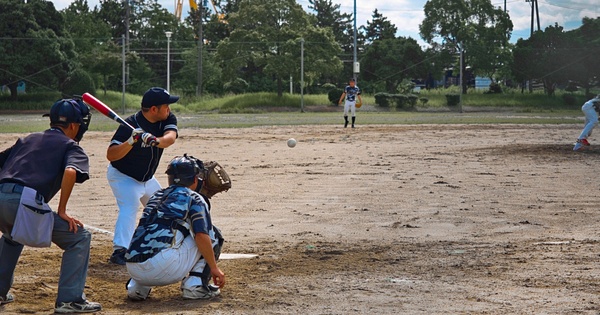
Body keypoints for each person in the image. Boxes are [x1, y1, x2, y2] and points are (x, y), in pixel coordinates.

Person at [0, 99, 102, 313]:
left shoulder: (29, 139)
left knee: (13, 235)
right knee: (79, 238)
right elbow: (71, 172)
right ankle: (70, 300)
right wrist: (63, 210)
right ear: (74, 126)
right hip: (22, 202)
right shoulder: (71, 145)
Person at [125, 154, 229, 301]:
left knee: (155, 231)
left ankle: (137, 288)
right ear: (195, 179)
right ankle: (195, 286)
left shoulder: (156, 196)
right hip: (164, 268)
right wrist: (214, 268)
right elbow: (201, 235)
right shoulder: (194, 197)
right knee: (212, 233)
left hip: (133, 269)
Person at [107, 87, 179, 265]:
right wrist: (131, 141)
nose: (169, 109)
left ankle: (161, 243)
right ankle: (119, 251)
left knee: (161, 209)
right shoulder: (129, 125)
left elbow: (170, 138)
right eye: (166, 105)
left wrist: (155, 140)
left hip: (146, 179)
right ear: (154, 109)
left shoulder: (167, 118)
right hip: (123, 176)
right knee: (130, 206)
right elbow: (111, 154)